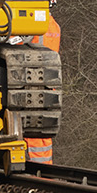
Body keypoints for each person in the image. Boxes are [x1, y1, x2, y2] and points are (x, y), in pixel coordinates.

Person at [24, 11, 61, 164]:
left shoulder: (28, 21)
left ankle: (38, 169)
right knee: (41, 131)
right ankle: (43, 169)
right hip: (47, 81)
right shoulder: (53, 25)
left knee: (33, 129)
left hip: (31, 78)